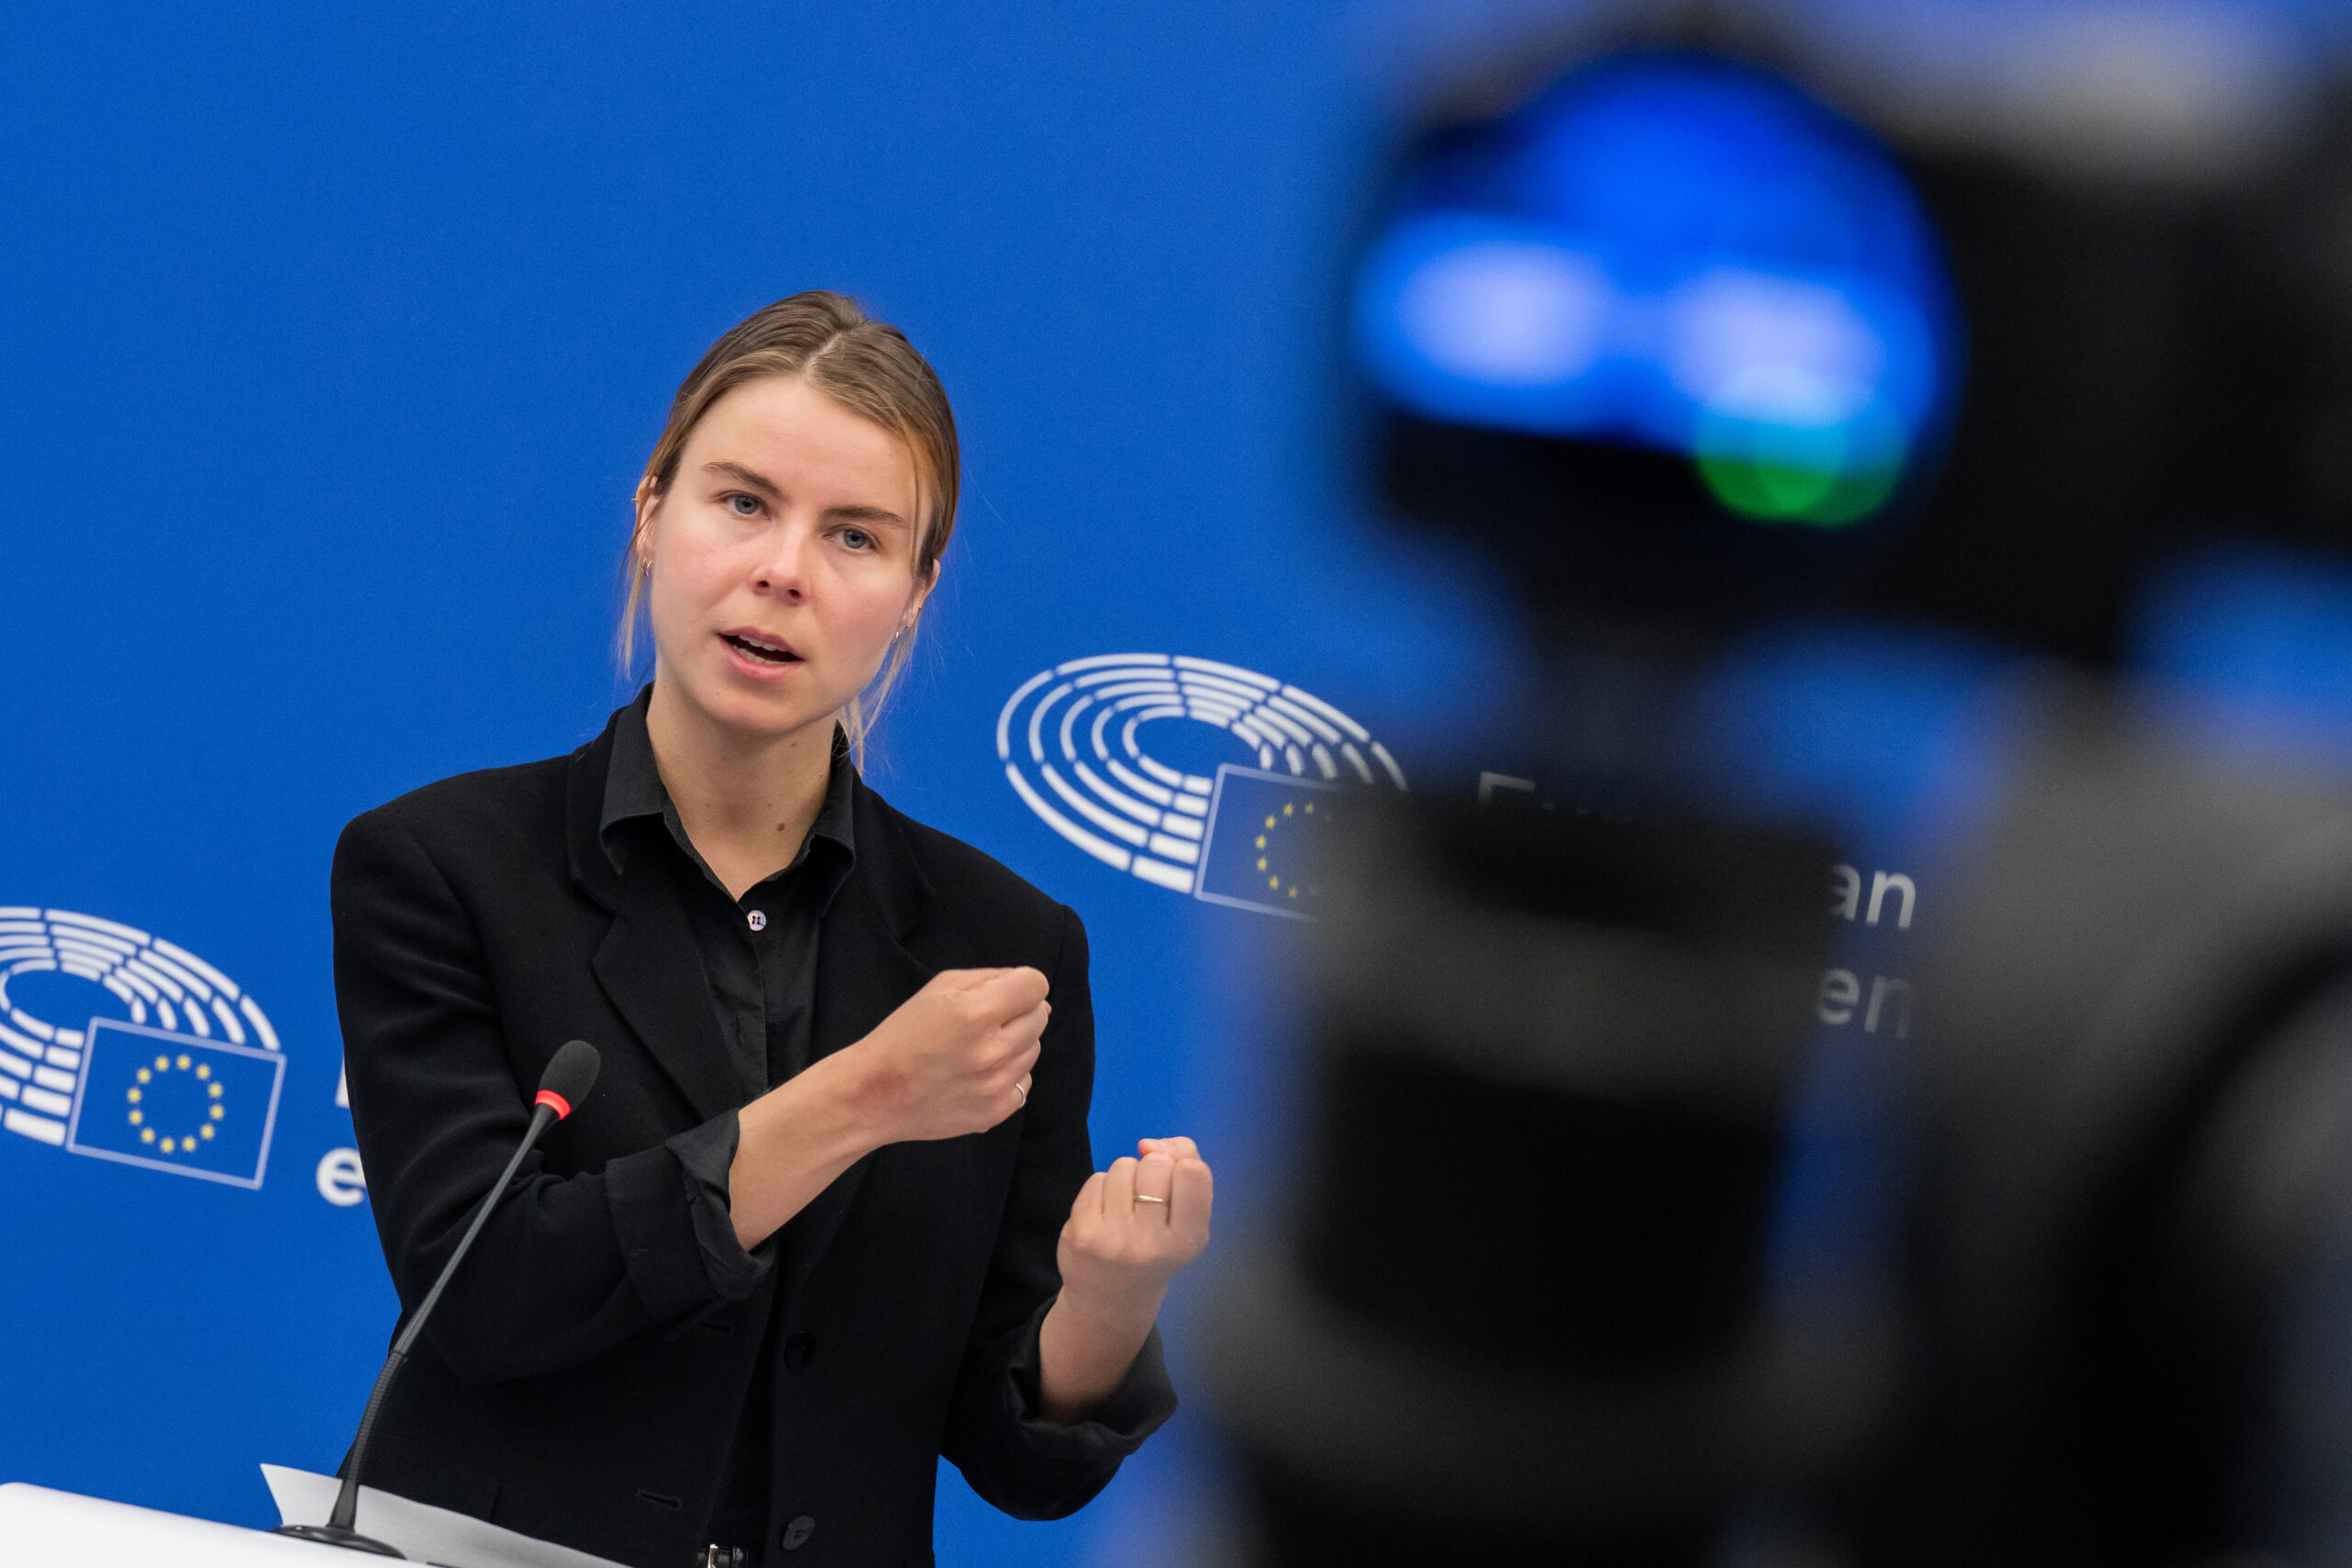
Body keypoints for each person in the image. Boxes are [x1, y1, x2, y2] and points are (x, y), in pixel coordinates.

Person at [332, 291, 1213, 1568]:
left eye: (855, 536)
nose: (784, 571)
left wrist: (1109, 1300)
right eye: (742, 502)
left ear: (915, 592)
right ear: (651, 517)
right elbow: (488, 1297)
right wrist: (861, 1098)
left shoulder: (1008, 949)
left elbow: (1018, 1460)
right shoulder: (439, 866)